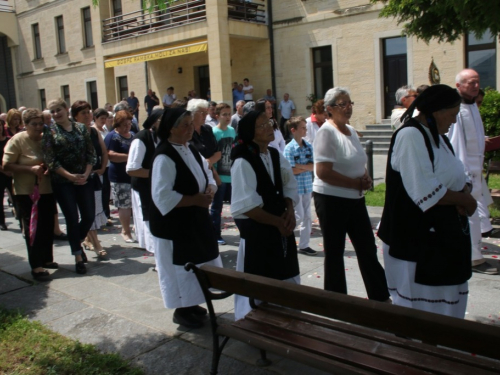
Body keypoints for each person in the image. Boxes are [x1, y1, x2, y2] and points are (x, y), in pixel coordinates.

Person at [378, 84, 477, 318]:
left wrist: (464, 190)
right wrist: (466, 200)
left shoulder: (439, 138)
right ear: (437, 111)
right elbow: (425, 191)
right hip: (417, 243)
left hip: (442, 241)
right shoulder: (411, 135)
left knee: (446, 312)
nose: (454, 121)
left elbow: (455, 173)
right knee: (424, 315)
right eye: (452, 115)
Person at [313, 87, 389, 302]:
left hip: (355, 199)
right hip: (331, 199)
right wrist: (355, 183)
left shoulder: (352, 131)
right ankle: (337, 301)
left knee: (367, 249)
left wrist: (365, 177)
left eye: (349, 103)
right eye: (342, 104)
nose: (348, 108)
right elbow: (323, 172)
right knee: (335, 252)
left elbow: (358, 160)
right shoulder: (326, 132)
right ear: (329, 109)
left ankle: (380, 296)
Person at [149, 107, 222, 329]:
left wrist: (209, 188)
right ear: (172, 128)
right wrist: (194, 200)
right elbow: (162, 196)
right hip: (174, 226)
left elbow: (207, 171)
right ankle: (181, 309)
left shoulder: (189, 148)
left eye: (192, 124)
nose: (191, 129)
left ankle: (192, 303)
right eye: (186, 125)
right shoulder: (164, 156)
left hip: (194, 221)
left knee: (196, 263)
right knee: (180, 268)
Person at [230, 110, 300, 320]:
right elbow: (247, 205)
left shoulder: (274, 154)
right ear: (250, 133)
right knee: (259, 277)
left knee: (284, 272)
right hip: (258, 233)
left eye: (269, 123)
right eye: (262, 126)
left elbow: (288, 184)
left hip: (280, 227)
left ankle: (286, 317)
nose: (270, 127)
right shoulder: (243, 161)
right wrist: (278, 222)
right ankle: (254, 320)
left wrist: (289, 211)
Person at [447, 69, 498, 275]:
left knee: (475, 214)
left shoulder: (472, 106)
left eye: (477, 82)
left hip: (476, 171)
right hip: (465, 171)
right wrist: (464, 173)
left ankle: (473, 256)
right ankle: (472, 259)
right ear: (459, 85)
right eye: (470, 83)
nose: (476, 86)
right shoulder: (456, 109)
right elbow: (455, 142)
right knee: (468, 214)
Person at [42, 98, 97, 275]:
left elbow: (91, 154)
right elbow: (51, 160)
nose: (56, 114)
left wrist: (86, 174)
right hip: (63, 182)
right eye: (52, 112)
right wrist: (70, 176)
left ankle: (77, 241)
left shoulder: (81, 128)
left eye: (59, 109)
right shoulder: (49, 131)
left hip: (83, 179)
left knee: (88, 216)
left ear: (66, 109)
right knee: (72, 219)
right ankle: (78, 257)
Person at [3, 109, 57, 281]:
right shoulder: (17, 140)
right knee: (33, 228)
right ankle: (36, 265)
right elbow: (6, 165)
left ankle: (46, 259)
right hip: (25, 191)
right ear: (25, 125)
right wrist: (29, 169)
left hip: (46, 189)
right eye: (34, 124)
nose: (38, 127)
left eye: (41, 123)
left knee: (47, 224)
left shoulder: (46, 140)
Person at [72, 101, 108, 258]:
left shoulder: (94, 132)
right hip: (81, 178)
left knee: (95, 209)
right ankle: (96, 243)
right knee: (88, 212)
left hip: (95, 175)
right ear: (75, 116)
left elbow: (104, 151)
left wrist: (102, 168)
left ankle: (85, 238)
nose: (87, 115)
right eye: (83, 113)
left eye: (88, 111)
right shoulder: (74, 133)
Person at [126, 108, 163, 255]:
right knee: (148, 219)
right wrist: (158, 174)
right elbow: (132, 169)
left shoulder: (164, 137)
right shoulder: (141, 138)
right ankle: (156, 253)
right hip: (144, 186)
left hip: (157, 186)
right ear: (154, 122)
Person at [284, 117, 317, 256]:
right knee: (298, 215)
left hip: (307, 186)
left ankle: (304, 245)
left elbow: (313, 166)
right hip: (296, 187)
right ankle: (285, 235)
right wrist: (304, 167)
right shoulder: (289, 148)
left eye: (305, 127)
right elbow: (290, 169)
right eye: (302, 127)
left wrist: (300, 167)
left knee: (307, 216)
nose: (306, 129)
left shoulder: (309, 146)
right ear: (294, 130)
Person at [104, 110, 136, 243]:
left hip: (133, 175)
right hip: (119, 176)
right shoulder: (112, 136)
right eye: (124, 124)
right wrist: (130, 157)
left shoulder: (133, 135)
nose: (127, 127)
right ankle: (125, 231)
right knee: (124, 205)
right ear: (118, 124)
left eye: (129, 124)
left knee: (134, 203)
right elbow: (110, 155)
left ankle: (136, 228)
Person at [210, 103, 236, 245]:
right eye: (224, 114)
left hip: (231, 174)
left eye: (229, 114)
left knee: (236, 204)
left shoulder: (232, 131)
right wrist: (215, 176)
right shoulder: (214, 132)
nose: (227, 117)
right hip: (219, 175)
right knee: (217, 206)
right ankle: (216, 234)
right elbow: (213, 156)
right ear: (217, 116)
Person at [93, 108, 113, 226]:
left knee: (106, 190)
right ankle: (102, 215)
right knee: (101, 190)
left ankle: (106, 214)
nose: (104, 120)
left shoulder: (105, 129)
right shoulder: (94, 130)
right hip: (100, 164)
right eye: (101, 118)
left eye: (105, 118)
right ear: (95, 118)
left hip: (108, 164)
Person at [0, 119, 14, 230]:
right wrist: (4, 170)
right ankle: (1, 222)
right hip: (1, 173)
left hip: (11, 173)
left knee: (16, 197)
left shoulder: (9, 140)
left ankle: (20, 219)